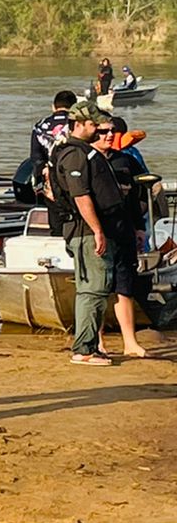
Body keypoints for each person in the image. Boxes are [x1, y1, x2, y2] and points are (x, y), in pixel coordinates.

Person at [45, 101, 121, 367]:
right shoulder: (75, 155)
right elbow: (80, 195)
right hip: (85, 230)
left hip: (87, 229)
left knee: (95, 288)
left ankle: (88, 346)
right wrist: (98, 230)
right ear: (79, 124)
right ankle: (85, 348)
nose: (98, 128)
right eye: (93, 124)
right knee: (93, 289)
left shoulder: (75, 152)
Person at [100, 118, 149, 359]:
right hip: (95, 233)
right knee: (97, 290)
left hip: (125, 231)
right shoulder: (86, 159)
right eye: (104, 132)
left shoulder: (126, 160)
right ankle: (96, 342)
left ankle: (130, 342)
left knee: (125, 287)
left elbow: (142, 191)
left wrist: (140, 227)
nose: (109, 136)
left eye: (112, 132)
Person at [28, 91, 77, 192]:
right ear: (74, 107)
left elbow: (36, 157)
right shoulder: (78, 125)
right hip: (73, 175)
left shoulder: (39, 126)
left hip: (48, 178)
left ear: (53, 107)